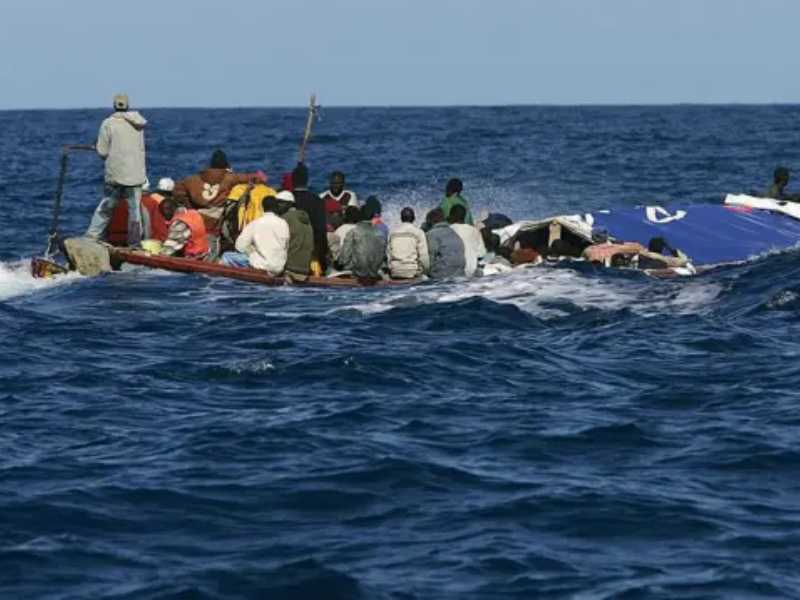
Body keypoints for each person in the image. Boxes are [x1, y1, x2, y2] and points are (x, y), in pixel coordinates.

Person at [85, 93, 148, 247]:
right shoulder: (138, 123)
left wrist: (96, 146)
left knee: (106, 206)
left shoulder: (108, 124)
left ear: (114, 105)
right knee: (134, 211)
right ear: (127, 105)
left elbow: (103, 151)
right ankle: (134, 243)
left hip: (116, 175)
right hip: (135, 175)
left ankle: (92, 237)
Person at [172, 150, 263, 231]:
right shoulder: (230, 178)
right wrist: (260, 177)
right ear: (225, 165)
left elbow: (177, 190)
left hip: (197, 217)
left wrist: (189, 206)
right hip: (218, 219)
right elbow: (252, 178)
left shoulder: (193, 179)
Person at [220, 195, 289, 275]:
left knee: (226, 256)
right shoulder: (284, 224)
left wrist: (251, 251)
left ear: (262, 207)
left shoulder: (255, 223)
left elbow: (240, 246)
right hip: (278, 268)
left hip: (261, 266)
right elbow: (286, 245)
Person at [291, 163, 329, 275]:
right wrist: (321, 254)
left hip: (289, 252)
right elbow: (321, 229)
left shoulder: (286, 198)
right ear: (307, 181)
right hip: (311, 253)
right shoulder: (317, 201)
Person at [337, 204, 388, 280]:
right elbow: (383, 257)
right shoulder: (381, 234)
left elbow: (344, 258)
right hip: (374, 272)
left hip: (357, 272)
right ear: (372, 217)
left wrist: (338, 264)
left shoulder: (353, 232)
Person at [276, 190, 315, 281]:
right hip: (304, 269)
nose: (277, 206)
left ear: (289, 204)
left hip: (290, 269)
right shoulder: (305, 218)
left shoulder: (285, 219)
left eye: (280, 203)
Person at [388, 207, 430, 279]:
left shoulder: (393, 233)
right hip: (412, 272)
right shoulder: (419, 233)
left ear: (401, 219)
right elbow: (424, 258)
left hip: (395, 271)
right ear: (414, 219)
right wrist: (424, 271)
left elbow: (389, 256)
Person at [425, 208, 466, 280]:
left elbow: (429, 259)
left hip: (442, 276)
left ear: (431, 222)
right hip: (460, 274)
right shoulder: (453, 232)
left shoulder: (431, 234)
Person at [448, 204, 485, 276]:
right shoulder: (474, 230)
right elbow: (481, 254)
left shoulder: (448, 230)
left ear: (451, 216)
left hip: (452, 272)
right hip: (471, 271)